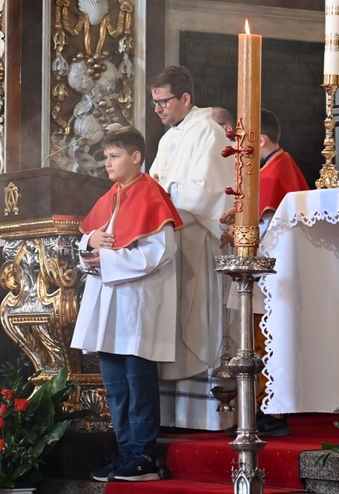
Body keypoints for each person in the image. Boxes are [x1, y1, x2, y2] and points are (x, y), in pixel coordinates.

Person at [71, 126, 184, 482]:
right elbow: (88, 243)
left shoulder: (151, 194)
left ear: (136, 157)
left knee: (138, 382)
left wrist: (106, 259)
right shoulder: (109, 198)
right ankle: (124, 453)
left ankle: (144, 455)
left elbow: (161, 252)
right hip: (108, 305)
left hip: (137, 303)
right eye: (105, 156)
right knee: (115, 385)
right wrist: (91, 241)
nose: (107, 163)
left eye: (114, 156)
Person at [147, 66, 235, 431]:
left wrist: (164, 191)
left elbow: (207, 191)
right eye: (154, 102)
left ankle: (209, 417)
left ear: (185, 98)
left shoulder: (209, 132)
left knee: (196, 321)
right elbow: (152, 184)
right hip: (171, 241)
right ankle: (174, 417)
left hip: (196, 239)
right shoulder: (169, 138)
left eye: (164, 101)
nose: (158, 109)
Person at [220, 108, 309, 437]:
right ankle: (262, 408)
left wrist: (240, 229)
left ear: (262, 139)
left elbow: (270, 225)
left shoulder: (275, 170)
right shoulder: (273, 167)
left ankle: (269, 411)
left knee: (264, 342)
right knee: (258, 340)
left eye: (246, 139)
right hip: (265, 273)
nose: (240, 145)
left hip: (269, 274)